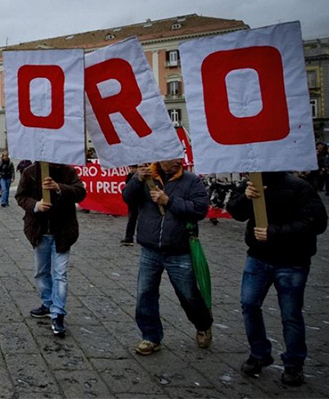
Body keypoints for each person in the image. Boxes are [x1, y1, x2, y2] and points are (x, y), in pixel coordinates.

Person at [226, 172, 327, 386]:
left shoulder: (299, 186)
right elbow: (236, 212)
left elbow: (317, 222)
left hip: (292, 261)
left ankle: (294, 363)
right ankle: (259, 353)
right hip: (258, 257)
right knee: (249, 304)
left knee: (290, 314)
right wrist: (246, 197)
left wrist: (274, 232)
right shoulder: (251, 183)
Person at [122, 159, 213, 355]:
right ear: (161, 160)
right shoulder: (146, 177)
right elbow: (128, 199)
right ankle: (151, 336)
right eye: (172, 159)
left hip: (179, 249)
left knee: (188, 294)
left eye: (179, 159)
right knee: (145, 294)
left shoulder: (191, 181)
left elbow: (199, 210)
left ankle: (203, 324)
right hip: (150, 248)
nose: (177, 162)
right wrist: (137, 179)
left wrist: (169, 201)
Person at [15, 162, 86, 337]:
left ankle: (58, 313)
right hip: (40, 232)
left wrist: (59, 187)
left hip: (62, 231)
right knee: (41, 272)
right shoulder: (30, 172)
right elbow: (21, 196)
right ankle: (47, 303)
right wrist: (36, 205)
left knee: (60, 274)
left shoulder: (67, 171)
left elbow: (80, 192)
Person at [121, 165, 139, 245]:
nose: (131, 170)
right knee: (131, 219)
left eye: (133, 168)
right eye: (130, 168)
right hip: (132, 201)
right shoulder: (130, 176)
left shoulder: (140, 176)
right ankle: (129, 237)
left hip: (139, 200)